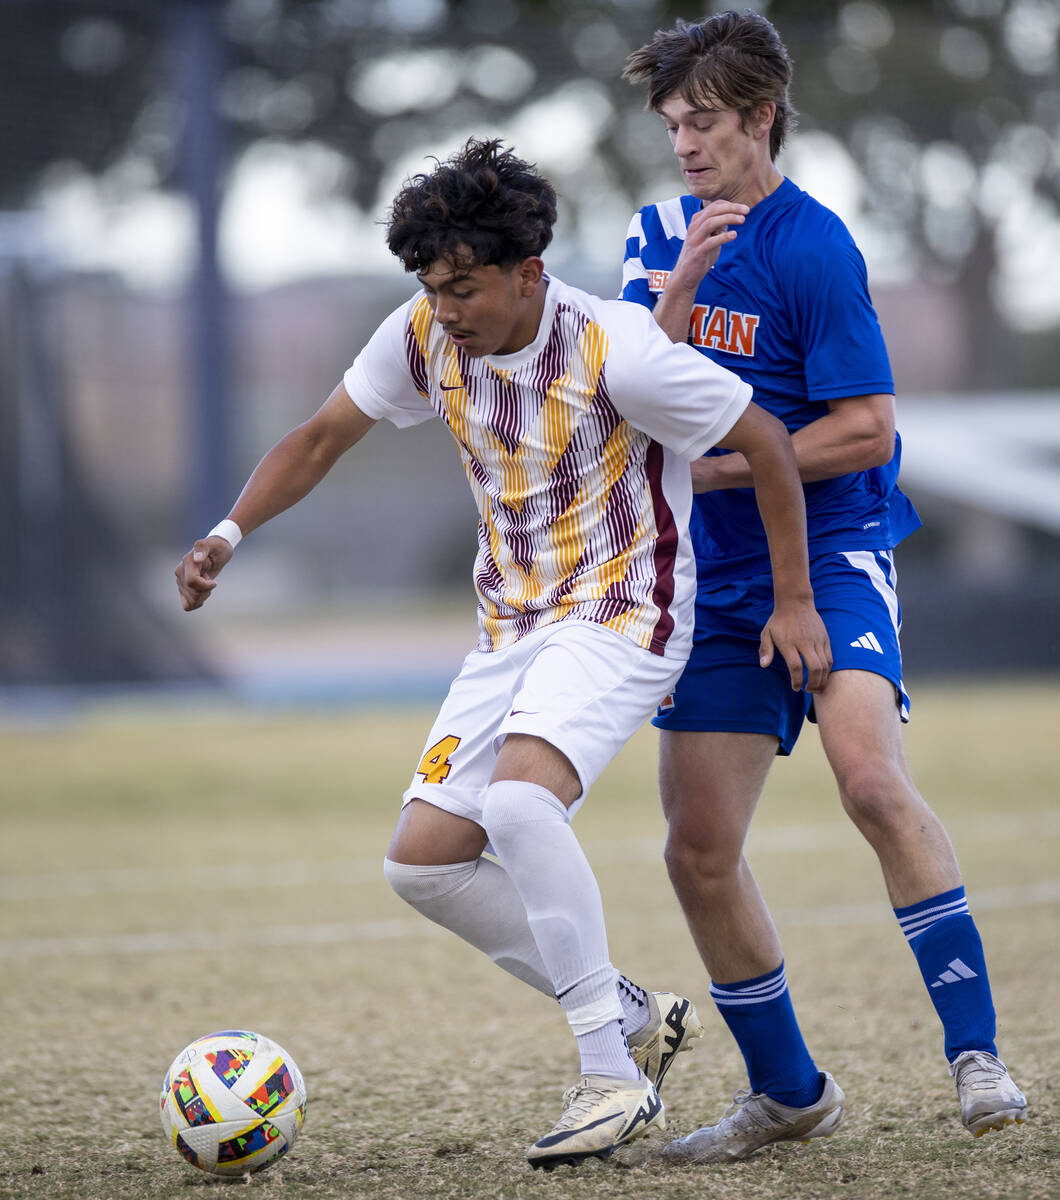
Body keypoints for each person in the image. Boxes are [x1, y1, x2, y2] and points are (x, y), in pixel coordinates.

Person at [175, 138, 830, 1171]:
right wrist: (227, 534)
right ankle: (629, 1012)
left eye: (465, 287)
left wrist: (794, 601)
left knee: (520, 805)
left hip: (627, 612)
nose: (447, 310)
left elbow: (767, 444)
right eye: (432, 288)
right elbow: (316, 438)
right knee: (422, 866)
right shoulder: (422, 336)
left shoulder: (618, 347)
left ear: (528, 273)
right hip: (510, 631)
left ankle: (612, 1079)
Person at [620, 11, 1027, 1164]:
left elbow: (865, 429)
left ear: (759, 117)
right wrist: (686, 284)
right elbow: (632, 400)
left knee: (868, 783)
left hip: (834, 555)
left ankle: (975, 1053)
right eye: (670, 126)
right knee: (695, 849)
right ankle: (788, 1093)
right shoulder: (654, 235)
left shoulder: (814, 247)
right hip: (715, 579)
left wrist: (740, 457)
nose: (683, 145)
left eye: (700, 123)